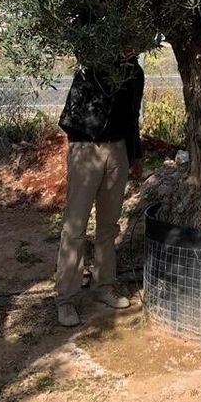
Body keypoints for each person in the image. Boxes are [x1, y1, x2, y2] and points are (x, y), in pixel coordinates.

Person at [54, 53, 145, 327]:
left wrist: (135, 155)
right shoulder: (92, 61)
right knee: (75, 225)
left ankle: (104, 286)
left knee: (109, 225)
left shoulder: (135, 73)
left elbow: (133, 114)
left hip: (117, 149)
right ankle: (65, 299)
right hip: (85, 147)